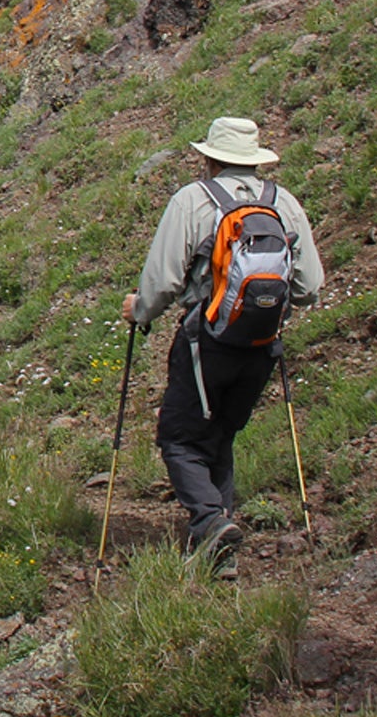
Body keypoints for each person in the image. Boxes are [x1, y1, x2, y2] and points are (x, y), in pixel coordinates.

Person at [121, 116, 324, 576]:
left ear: (210, 157)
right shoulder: (284, 204)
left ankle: (211, 522)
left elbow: (164, 279)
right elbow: (311, 286)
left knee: (179, 438)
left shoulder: (194, 201)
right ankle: (219, 550)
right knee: (219, 435)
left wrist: (141, 310)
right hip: (261, 344)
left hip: (205, 341)